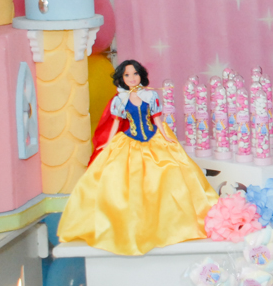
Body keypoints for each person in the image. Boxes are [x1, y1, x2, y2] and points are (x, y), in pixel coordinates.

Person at [58, 59, 218, 256]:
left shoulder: (150, 95)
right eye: (127, 75)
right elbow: (116, 123)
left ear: (141, 75)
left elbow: (157, 119)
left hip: (153, 138)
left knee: (169, 173)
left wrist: (167, 136)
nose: (132, 78)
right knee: (126, 180)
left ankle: (173, 222)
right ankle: (132, 226)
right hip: (131, 140)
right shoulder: (120, 99)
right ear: (122, 78)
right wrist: (107, 143)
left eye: (135, 74)